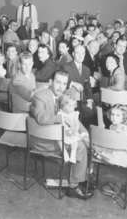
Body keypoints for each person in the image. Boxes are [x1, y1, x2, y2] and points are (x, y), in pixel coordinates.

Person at [29, 70, 93, 199]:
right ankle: (74, 186)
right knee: (80, 147)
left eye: (64, 83)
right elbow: (41, 118)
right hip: (43, 139)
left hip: (59, 137)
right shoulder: (40, 96)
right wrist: (60, 119)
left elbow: (72, 117)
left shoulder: (64, 96)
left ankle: (81, 178)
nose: (61, 87)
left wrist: (84, 132)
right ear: (51, 82)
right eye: (58, 82)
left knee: (85, 141)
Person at [63, 45, 95, 128]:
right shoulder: (66, 67)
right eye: (78, 53)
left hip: (82, 100)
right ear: (73, 54)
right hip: (69, 100)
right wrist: (72, 83)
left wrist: (90, 100)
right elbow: (61, 82)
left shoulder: (86, 69)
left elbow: (88, 86)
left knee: (92, 112)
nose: (81, 56)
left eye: (83, 53)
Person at [57, 88, 89, 163]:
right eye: (69, 106)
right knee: (59, 140)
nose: (72, 108)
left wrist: (74, 129)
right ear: (63, 105)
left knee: (76, 140)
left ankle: (73, 155)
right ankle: (64, 152)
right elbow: (61, 124)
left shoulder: (74, 114)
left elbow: (76, 124)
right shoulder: (60, 114)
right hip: (62, 133)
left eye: (73, 106)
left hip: (72, 132)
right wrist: (67, 129)